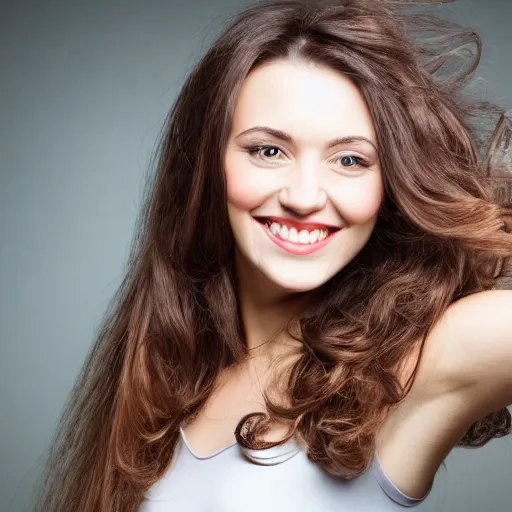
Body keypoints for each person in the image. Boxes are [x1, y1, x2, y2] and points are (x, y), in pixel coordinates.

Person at [32, 0, 512, 511]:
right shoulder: (167, 378)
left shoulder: (424, 359)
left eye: (349, 159)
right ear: (207, 165)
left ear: (390, 183)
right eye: (268, 150)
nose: (304, 197)